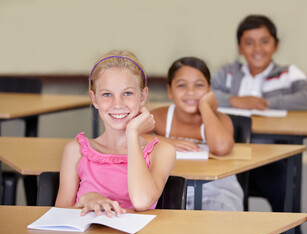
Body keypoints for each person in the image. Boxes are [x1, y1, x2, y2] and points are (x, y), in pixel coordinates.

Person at [212, 15, 307, 234]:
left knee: (282, 191)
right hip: (229, 156)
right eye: (249, 42)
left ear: (276, 45)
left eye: (264, 41)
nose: (257, 49)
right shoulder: (228, 73)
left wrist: (266, 102)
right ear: (240, 47)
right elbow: (207, 94)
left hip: (269, 159)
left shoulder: (287, 74)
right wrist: (235, 100)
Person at [55, 50, 176, 217]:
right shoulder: (75, 150)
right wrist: (88, 198)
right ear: (95, 99)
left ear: (142, 97)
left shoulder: (161, 152)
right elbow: (59, 217)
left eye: (127, 93)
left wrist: (132, 133)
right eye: (107, 94)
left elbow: (141, 201)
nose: (117, 104)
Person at [144, 57, 244, 211]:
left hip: (216, 193)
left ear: (209, 89)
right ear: (170, 91)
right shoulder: (162, 116)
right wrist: (167, 141)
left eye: (199, 85)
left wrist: (205, 106)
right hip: (171, 192)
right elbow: (129, 136)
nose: (190, 92)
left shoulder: (219, 119)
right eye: (181, 85)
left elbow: (221, 147)